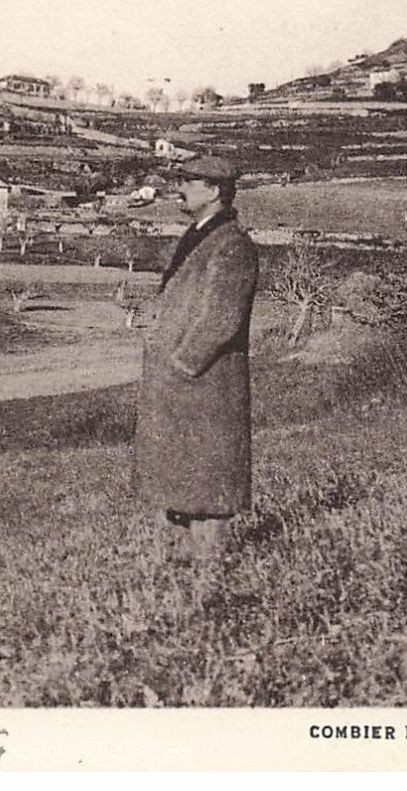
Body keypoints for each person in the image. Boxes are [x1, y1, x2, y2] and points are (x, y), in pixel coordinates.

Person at [133, 155, 258, 562]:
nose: (180, 188)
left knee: (209, 485)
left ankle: (211, 573)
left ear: (215, 191)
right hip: (185, 385)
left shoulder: (232, 244)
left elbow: (221, 319)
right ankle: (189, 571)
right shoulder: (201, 235)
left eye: (190, 181)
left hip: (206, 384)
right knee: (184, 484)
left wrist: (181, 364)